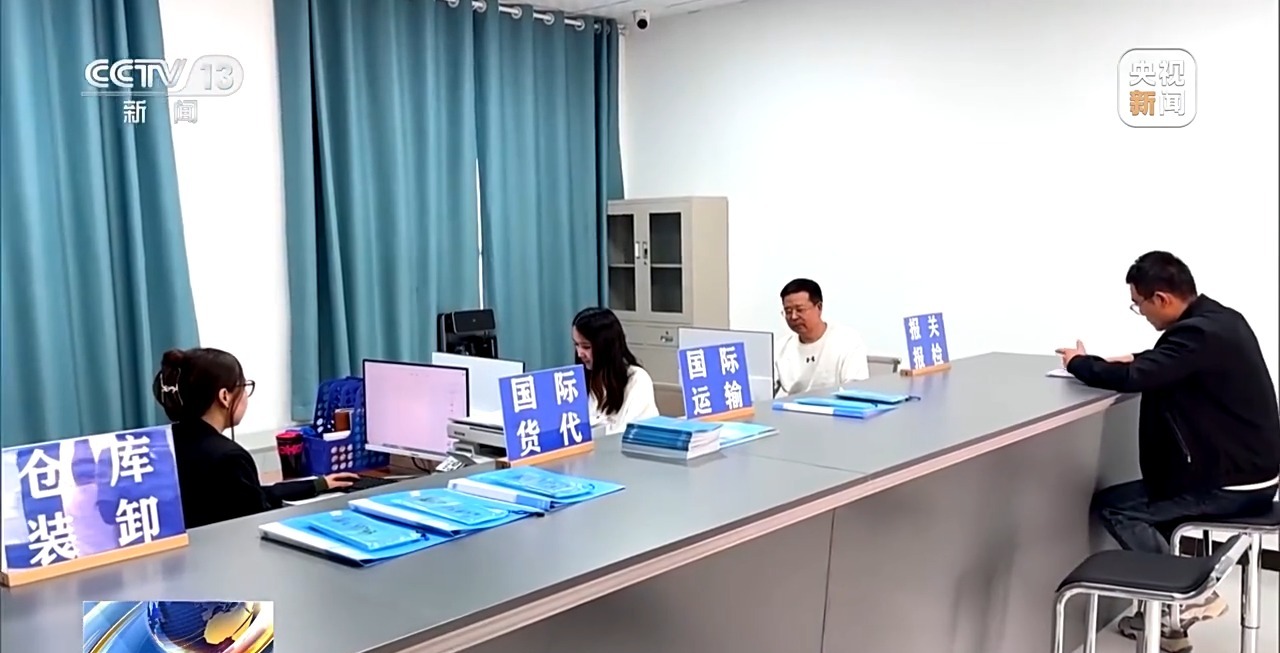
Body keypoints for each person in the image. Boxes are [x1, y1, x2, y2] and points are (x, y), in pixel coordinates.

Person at [1057, 251, 1280, 650]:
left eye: (1138, 304)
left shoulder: (1197, 335)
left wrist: (1079, 364)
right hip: (1252, 473)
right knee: (1152, 499)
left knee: (1117, 507)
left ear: (1160, 298)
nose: (1140, 313)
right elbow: (1168, 363)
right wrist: (1136, 358)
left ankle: (1187, 599)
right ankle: (1170, 623)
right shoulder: (1221, 320)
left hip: (1230, 483)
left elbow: (1136, 378)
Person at [153, 348, 358, 529]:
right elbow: (256, 518)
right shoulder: (229, 458)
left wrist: (318, 484)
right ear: (225, 397)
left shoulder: (163, 444)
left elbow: (251, 495)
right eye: (243, 386)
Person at [773, 278, 869, 396]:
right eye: (788, 311)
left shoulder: (848, 341)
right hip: (790, 406)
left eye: (800, 310)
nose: (793, 317)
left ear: (819, 307)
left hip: (833, 406)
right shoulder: (780, 347)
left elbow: (855, 390)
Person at [572, 307, 659, 435]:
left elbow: (628, 432)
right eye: (576, 345)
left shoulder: (636, 379)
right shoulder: (581, 378)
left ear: (606, 346)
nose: (580, 353)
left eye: (586, 346)